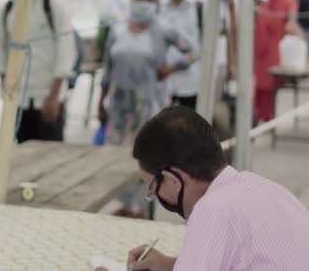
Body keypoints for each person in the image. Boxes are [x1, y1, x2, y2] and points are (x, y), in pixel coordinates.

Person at [126, 106, 309, 271]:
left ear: (173, 179)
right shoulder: (263, 188)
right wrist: (169, 265)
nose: (155, 196)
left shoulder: (213, 209)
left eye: (153, 188)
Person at [97, 0, 196, 218]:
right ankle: (124, 202)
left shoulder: (162, 29)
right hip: (120, 103)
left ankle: (141, 207)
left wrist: (171, 68)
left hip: (149, 102)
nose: (143, 2)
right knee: (116, 153)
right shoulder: (118, 29)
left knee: (146, 155)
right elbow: (107, 69)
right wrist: (100, 101)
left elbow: (193, 50)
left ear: (155, 3)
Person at [0, 0, 75, 144]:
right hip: (19, 101)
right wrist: (6, 95)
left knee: (51, 155)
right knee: (22, 154)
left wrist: (54, 97)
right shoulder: (7, 9)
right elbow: (2, 53)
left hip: (47, 98)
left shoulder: (52, 4)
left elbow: (65, 51)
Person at [254, 0, 300, 122]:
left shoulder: (288, 2)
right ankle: (258, 115)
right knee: (259, 86)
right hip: (260, 51)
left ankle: (268, 116)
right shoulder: (265, 5)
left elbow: (292, 20)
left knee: (269, 85)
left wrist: (291, 24)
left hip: (274, 51)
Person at [160, 0, 201, 109]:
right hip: (162, 84)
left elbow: (201, 47)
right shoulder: (157, 10)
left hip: (190, 84)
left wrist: (175, 67)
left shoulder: (198, 9)